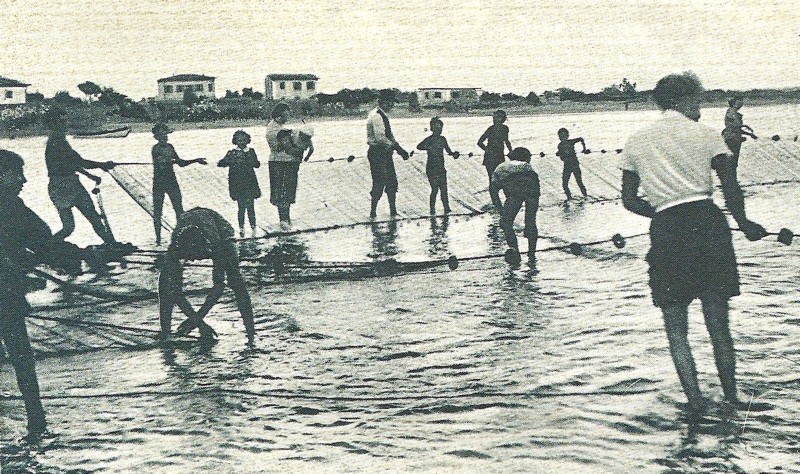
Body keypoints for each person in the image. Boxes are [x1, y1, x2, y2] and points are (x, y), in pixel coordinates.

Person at [620, 72, 768, 416]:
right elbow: (730, 186)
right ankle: (732, 399)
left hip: (667, 228)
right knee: (718, 321)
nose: (700, 107)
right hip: (707, 223)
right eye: (697, 100)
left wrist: (661, 211)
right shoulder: (705, 135)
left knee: (676, 326)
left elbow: (628, 200)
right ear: (683, 100)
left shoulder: (636, 141)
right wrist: (745, 224)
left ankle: (696, 403)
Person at [1, 149, 83, 440]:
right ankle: (37, 423)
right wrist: (75, 256)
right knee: (22, 357)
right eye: (16, 173)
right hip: (5, 296)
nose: (23, 179)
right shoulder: (10, 205)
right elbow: (42, 242)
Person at [158, 207, 255, 344]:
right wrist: (199, 323)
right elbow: (174, 292)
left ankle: (251, 334)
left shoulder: (216, 245)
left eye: (193, 256)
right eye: (187, 256)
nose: (191, 261)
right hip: (193, 224)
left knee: (236, 283)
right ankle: (165, 333)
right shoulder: (175, 246)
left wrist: (196, 319)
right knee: (165, 284)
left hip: (223, 234)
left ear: (204, 249)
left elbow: (219, 285)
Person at [43, 108, 116, 243]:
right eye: (61, 121)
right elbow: (79, 161)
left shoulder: (56, 141)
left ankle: (48, 247)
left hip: (58, 186)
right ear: (53, 124)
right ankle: (112, 244)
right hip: (66, 186)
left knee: (69, 226)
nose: (65, 124)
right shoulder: (58, 142)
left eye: (64, 120)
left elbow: (70, 164)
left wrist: (90, 176)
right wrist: (102, 164)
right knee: (92, 218)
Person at [151, 123, 207, 245]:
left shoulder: (170, 147)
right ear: (156, 136)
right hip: (159, 182)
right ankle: (158, 240)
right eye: (160, 134)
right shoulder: (155, 149)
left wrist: (196, 160)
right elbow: (162, 162)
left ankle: (182, 236)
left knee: (179, 209)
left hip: (171, 181)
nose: (164, 136)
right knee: (157, 211)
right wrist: (171, 161)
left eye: (165, 134)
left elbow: (180, 163)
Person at [266, 104, 313, 227]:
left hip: (279, 162)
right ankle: (285, 220)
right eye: (287, 114)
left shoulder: (274, 127)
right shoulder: (277, 130)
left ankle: (285, 220)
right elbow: (290, 149)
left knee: (282, 193)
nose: (288, 116)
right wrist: (303, 148)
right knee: (285, 192)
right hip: (282, 163)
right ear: (280, 115)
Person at [490, 147, 540, 261]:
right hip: (532, 184)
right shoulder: (527, 165)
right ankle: (531, 254)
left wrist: (500, 209)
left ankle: (515, 252)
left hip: (515, 186)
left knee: (505, 223)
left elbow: (493, 190)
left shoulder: (501, 167)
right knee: (531, 222)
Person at [366, 90, 410, 218]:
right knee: (379, 183)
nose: (392, 105)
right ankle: (373, 212)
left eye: (392, 102)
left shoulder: (383, 116)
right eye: (389, 102)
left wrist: (399, 148)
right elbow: (381, 138)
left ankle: (393, 211)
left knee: (392, 182)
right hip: (377, 152)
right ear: (382, 102)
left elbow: (389, 136)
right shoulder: (376, 116)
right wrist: (397, 148)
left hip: (385, 153)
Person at [218, 130, 261, 238]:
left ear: (248, 140)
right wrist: (228, 160)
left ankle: (253, 227)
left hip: (249, 181)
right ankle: (241, 228)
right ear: (235, 141)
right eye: (239, 140)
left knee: (251, 206)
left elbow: (257, 164)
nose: (242, 142)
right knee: (241, 207)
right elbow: (221, 163)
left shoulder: (251, 151)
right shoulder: (232, 153)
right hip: (237, 182)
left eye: (244, 140)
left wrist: (249, 159)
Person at [416, 117, 459, 214]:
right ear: (431, 129)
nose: (439, 130)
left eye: (440, 128)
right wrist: (429, 147)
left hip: (441, 167)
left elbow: (449, 151)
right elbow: (419, 146)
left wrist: (454, 154)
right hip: (431, 168)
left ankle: (446, 208)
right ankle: (432, 210)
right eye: (436, 128)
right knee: (435, 188)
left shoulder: (443, 139)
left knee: (444, 189)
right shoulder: (429, 139)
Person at [477, 109, 513, 208]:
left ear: (502, 119)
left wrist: (511, 152)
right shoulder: (490, 129)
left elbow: (507, 141)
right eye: (494, 117)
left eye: (497, 117)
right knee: (492, 180)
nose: (494, 119)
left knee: (503, 179)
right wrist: (487, 150)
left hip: (499, 157)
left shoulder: (504, 128)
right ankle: (496, 202)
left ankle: (506, 200)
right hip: (490, 158)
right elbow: (479, 142)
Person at [722, 93, 758, 177]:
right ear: (735, 103)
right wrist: (746, 128)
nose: (741, 104)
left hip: (734, 138)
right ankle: (731, 180)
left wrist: (748, 133)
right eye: (740, 102)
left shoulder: (732, 111)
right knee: (732, 161)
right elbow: (735, 126)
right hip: (732, 138)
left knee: (733, 160)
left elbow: (736, 127)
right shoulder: (731, 111)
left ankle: (732, 179)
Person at [556, 127, 588, 200]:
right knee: (564, 184)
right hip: (567, 166)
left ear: (567, 136)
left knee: (579, 181)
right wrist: (560, 154)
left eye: (564, 136)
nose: (563, 138)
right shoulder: (560, 145)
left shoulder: (570, 142)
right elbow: (562, 158)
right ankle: (569, 198)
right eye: (561, 137)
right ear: (559, 137)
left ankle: (585, 196)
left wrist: (584, 148)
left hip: (574, 165)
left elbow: (581, 139)